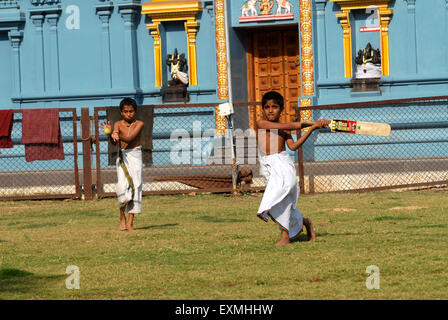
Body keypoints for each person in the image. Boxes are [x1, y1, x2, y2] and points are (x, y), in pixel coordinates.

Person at [256, 91, 330, 246]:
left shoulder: (284, 130)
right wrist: (312, 123)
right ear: (263, 109)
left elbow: (294, 146)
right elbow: (286, 125)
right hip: (267, 166)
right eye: (267, 107)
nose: (270, 110)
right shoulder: (261, 124)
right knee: (277, 202)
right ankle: (304, 222)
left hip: (282, 164)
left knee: (284, 196)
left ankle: (285, 237)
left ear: (281, 109)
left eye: (274, 107)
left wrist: (312, 129)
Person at [100, 98, 144, 231]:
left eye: (131, 111)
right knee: (122, 187)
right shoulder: (118, 124)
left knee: (136, 186)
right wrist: (110, 135)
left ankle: (130, 221)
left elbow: (130, 138)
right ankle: (122, 217)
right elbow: (114, 143)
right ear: (121, 112)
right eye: (126, 111)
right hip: (122, 156)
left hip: (135, 156)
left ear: (135, 111)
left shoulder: (139, 123)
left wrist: (117, 135)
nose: (128, 114)